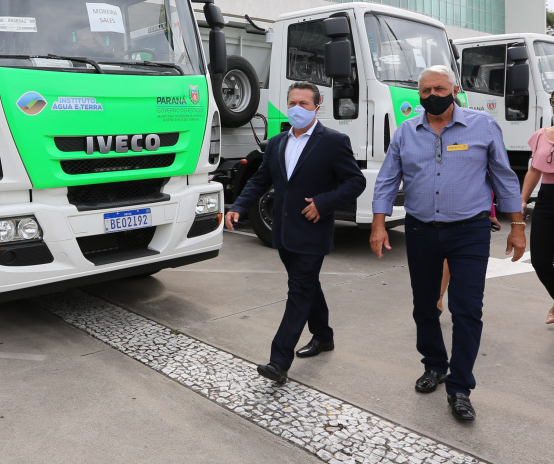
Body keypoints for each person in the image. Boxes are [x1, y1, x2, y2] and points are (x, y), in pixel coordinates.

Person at [370, 65, 524, 422]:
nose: (433, 96)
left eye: (439, 89)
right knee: (424, 306)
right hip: (421, 229)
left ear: (454, 88)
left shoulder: (482, 126)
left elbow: (504, 176)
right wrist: (379, 224)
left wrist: (517, 225)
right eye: (425, 91)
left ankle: (460, 387)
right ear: (418, 95)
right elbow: (388, 179)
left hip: (469, 231)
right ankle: (435, 365)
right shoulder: (407, 131)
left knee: (467, 309)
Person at [225, 81, 365, 385]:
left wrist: (324, 203)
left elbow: (355, 182)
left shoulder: (333, 142)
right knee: (307, 286)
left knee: (299, 291)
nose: (296, 109)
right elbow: (260, 180)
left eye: (303, 103)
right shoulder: (276, 143)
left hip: (313, 231)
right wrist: (238, 205)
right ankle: (324, 336)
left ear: (317, 106)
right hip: (284, 233)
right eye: (292, 103)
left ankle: (279, 361)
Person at [520, 95, 554, 325]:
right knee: (540, 260)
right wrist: (521, 201)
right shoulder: (542, 135)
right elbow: (534, 171)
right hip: (547, 200)